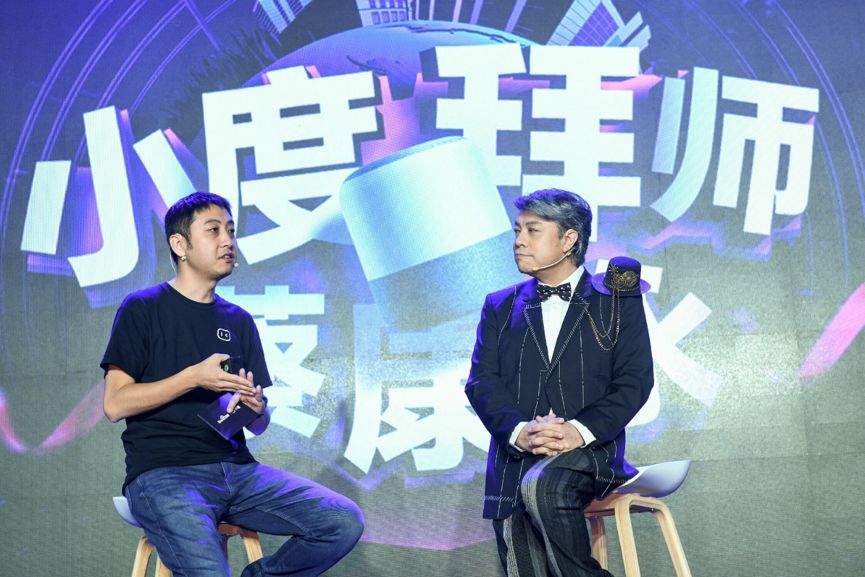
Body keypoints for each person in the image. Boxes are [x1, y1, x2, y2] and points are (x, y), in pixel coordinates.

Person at [101, 192, 363, 577]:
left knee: (342, 521)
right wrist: (193, 377)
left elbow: (258, 424)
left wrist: (255, 408)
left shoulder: (238, 320)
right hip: (165, 474)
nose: (227, 241)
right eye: (213, 231)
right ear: (180, 245)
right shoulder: (143, 308)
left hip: (237, 470)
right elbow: (115, 404)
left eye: (231, 230)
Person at [465, 188, 653, 577]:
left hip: (590, 453)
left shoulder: (616, 300)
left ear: (569, 239)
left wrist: (576, 432)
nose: (519, 241)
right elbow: (481, 382)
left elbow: (634, 380)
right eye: (517, 230)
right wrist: (521, 432)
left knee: (545, 485)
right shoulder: (499, 305)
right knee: (522, 546)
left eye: (532, 230)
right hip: (516, 456)